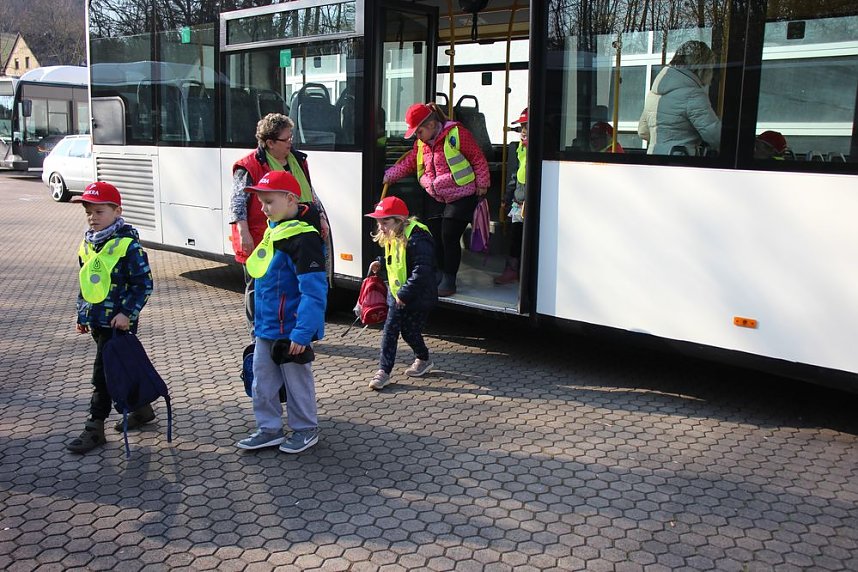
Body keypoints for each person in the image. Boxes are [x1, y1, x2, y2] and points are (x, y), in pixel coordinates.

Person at [235, 171, 327, 454]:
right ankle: (269, 429)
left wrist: (302, 333)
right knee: (262, 381)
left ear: (290, 199)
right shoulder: (274, 231)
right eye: (261, 202)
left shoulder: (304, 239)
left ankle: (305, 429)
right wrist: (257, 323)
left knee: (297, 383)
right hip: (266, 328)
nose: (263, 208)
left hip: (291, 330)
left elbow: (314, 292)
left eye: (269, 201)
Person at [67, 182, 154, 453]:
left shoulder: (128, 246)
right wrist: (83, 314)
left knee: (103, 375)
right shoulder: (88, 244)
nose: (93, 218)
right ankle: (142, 409)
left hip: (118, 324)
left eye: (100, 211)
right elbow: (87, 282)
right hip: (96, 321)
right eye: (89, 212)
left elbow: (143, 284)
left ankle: (95, 427)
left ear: (117, 211)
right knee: (124, 366)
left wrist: (126, 313)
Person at [229, 113, 330, 338]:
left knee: (295, 284)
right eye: (286, 139)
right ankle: (258, 333)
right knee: (258, 287)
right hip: (261, 235)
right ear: (270, 142)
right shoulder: (248, 166)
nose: (291, 143)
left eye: (291, 137)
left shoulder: (297, 160)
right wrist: (243, 233)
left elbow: (309, 192)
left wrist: (321, 216)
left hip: (296, 233)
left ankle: (295, 330)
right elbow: (237, 203)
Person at [383, 102, 490, 297]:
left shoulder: (457, 134)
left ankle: (449, 280)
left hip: (462, 194)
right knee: (435, 236)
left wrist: (482, 184)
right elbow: (410, 163)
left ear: (432, 125)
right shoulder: (421, 144)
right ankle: (439, 273)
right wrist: (390, 175)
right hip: (436, 195)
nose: (417, 136)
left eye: (419, 131)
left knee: (449, 235)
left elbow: (477, 158)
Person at [365, 196, 438, 390]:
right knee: (393, 331)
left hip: (415, 296)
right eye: (378, 221)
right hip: (398, 295)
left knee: (407, 331)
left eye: (385, 222)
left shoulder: (418, 237)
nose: (380, 227)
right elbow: (396, 259)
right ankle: (390, 369)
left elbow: (422, 269)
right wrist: (380, 262)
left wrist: (404, 294)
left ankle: (415, 361)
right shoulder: (393, 234)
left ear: (399, 220)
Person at [638, 40, 721, 156]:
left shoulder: (654, 92)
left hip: (653, 159)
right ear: (702, 67)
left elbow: (643, 131)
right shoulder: (693, 94)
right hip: (680, 162)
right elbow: (716, 137)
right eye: (711, 67)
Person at [494, 108, 529, 285]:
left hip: (528, 202)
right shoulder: (521, 149)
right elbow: (516, 175)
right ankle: (513, 269)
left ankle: (522, 270)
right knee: (515, 237)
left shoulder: (538, 150)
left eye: (527, 127)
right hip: (519, 201)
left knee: (524, 238)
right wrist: (508, 196)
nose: (523, 131)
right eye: (522, 127)